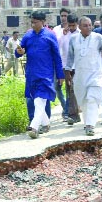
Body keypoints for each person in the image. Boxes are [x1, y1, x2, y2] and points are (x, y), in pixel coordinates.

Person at [15, 11, 64, 139]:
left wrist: (60, 74)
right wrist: (19, 51)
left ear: (43, 22)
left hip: (46, 74)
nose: (33, 24)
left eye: (35, 22)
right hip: (31, 73)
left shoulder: (50, 35)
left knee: (39, 100)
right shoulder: (28, 35)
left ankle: (34, 127)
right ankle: (46, 123)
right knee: (36, 99)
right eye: (32, 22)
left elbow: (57, 56)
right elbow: (19, 51)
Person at [59, 14, 81, 125]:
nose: (72, 27)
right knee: (69, 91)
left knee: (74, 90)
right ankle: (71, 113)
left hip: (78, 66)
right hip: (66, 66)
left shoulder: (81, 34)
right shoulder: (64, 34)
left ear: (77, 24)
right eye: (70, 25)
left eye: (73, 25)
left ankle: (72, 114)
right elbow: (59, 48)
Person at [53, 7, 71, 121]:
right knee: (57, 88)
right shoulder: (55, 30)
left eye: (65, 16)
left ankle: (66, 111)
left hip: (70, 64)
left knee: (69, 88)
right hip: (58, 63)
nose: (63, 18)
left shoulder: (74, 30)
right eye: (62, 16)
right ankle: (65, 106)